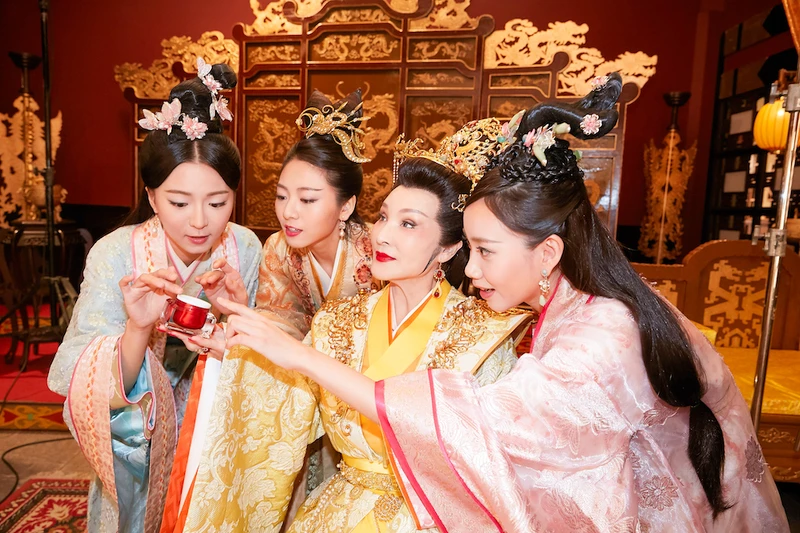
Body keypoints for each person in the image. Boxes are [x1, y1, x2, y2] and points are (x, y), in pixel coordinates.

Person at [219, 73, 790, 532]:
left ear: (547, 253)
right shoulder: (559, 309)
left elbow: (475, 428)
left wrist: (299, 356)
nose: (473, 269)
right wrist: (237, 349)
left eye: (483, 251)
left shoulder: (599, 333)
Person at [199, 121, 532, 533]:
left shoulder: (484, 336)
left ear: (448, 247)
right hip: (339, 510)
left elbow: (478, 458)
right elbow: (283, 409)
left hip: (429, 518)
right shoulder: (337, 320)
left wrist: (298, 355)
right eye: (383, 216)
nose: (382, 234)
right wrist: (234, 349)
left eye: (408, 224)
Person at [47, 59, 263, 533]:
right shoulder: (115, 253)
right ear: (151, 196)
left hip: (213, 430)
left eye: (218, 202)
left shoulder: (244, 247)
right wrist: (138, 329)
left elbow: (260, 365)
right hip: (138, 434)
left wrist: (240, 317)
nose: (200, 222)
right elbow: (82, 379)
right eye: (179, 203)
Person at [179, 89, 380, 532]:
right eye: (281, 196)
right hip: (303, 393)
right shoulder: (278, 249)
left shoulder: (378, 253)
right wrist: (238, 314)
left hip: (361, 402)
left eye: (307, 200)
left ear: (346, 205)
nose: (289, 212)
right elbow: (283, 324)